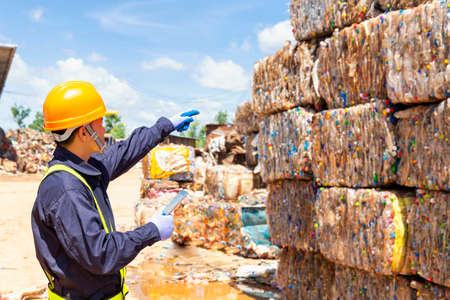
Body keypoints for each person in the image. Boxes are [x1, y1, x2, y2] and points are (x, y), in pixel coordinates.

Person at [31, 81, 199, 299]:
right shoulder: (67, 189)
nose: (104, 129)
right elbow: (100, 255)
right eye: (100, 123)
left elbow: (126, 150)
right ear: (84, 132)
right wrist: (152, 230)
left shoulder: (84, 167)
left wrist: (164, 127)